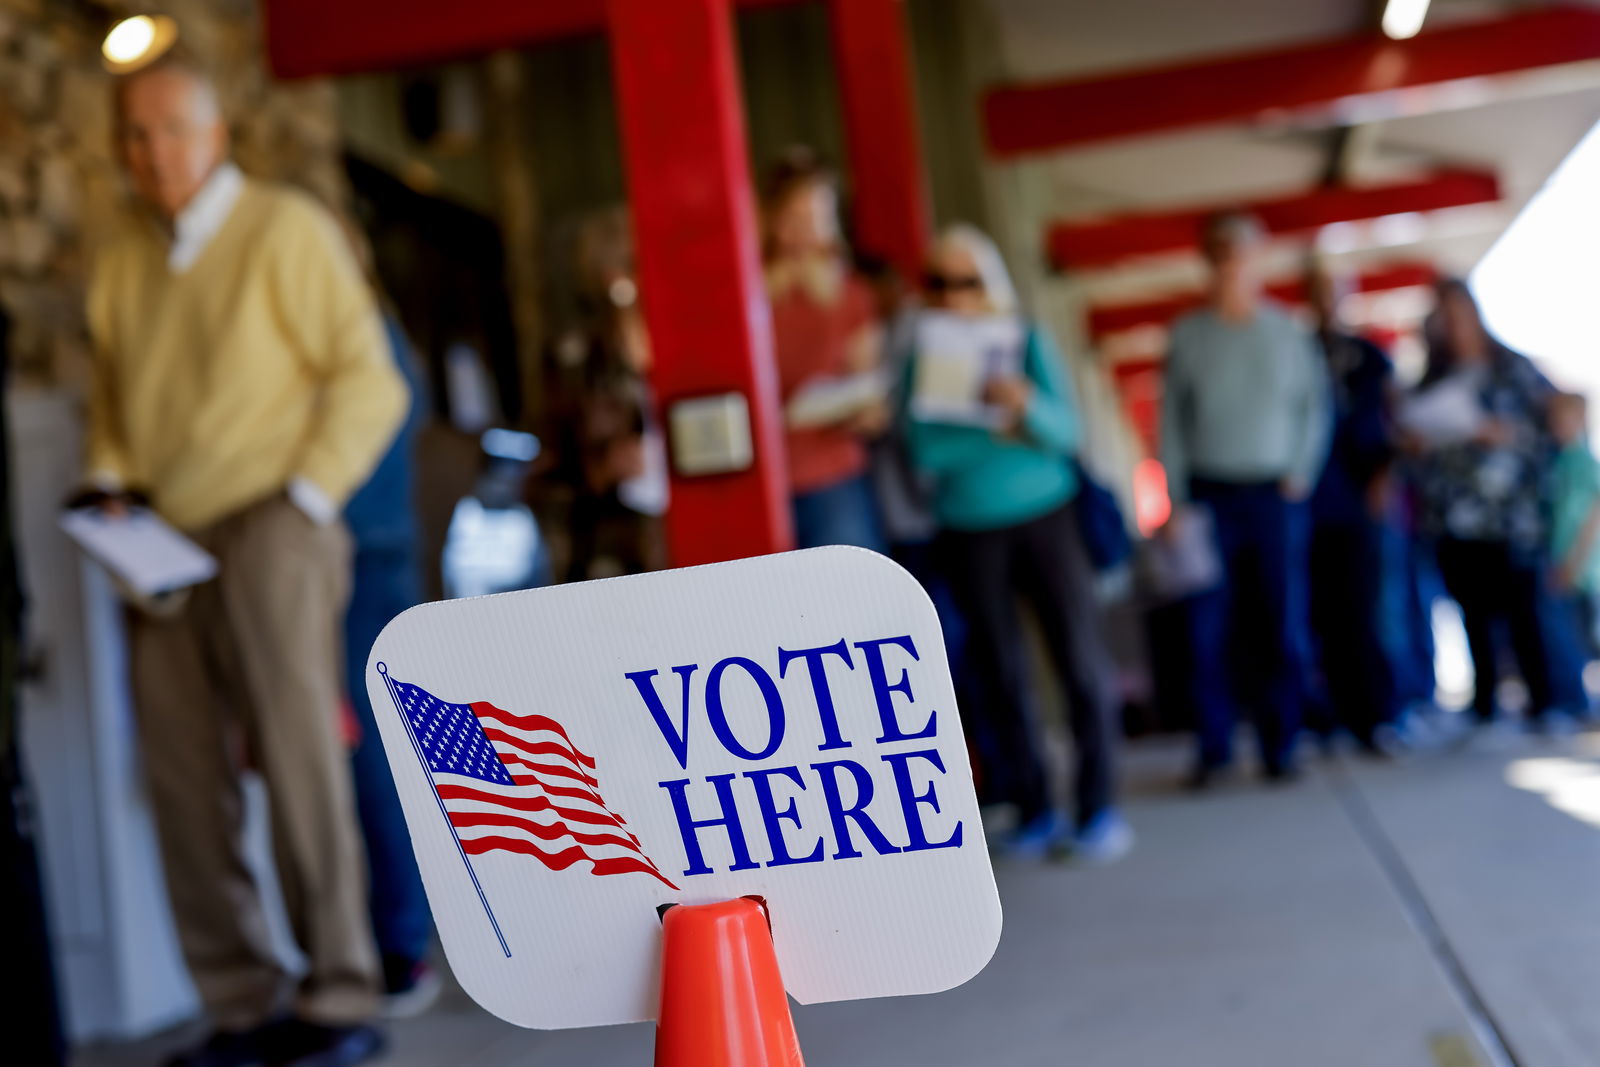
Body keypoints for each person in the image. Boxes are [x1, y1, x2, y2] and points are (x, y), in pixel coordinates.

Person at [83, 55, 406, 1067]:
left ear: (216, 133)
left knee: (301, 759)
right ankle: (240, 1002)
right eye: (135, 135)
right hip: (161, 538)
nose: (154, 153)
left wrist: (306, 496)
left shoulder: (284, 230)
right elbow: (113, 406)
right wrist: (107, 487)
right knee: (184, 779)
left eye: (173, 129)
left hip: (274, 517)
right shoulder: (121, 259)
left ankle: (342, 994)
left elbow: (370, 378)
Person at [905, 224, 1130, 864]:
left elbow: (1065, 430)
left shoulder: (1026, 339)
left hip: (1047, 518)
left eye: (966, 281)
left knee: (1079, 660)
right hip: (969, 530)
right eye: (939, 283)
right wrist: (1000, 430)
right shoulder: (924, 358)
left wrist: (1024, 407)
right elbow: (925, 448)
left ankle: (1099, 807)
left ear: (990, 282)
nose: (954, 295)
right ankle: (1034, 807)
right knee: (1001, 671)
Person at [1160, 212, 1330, 785]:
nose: (1232, 266)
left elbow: (1314, 408)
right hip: (1208, 495)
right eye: (1221, 255)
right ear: (1208, 263)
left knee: (1280, 621)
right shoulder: (1187, 333)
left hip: (1273, 493)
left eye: (1242, 255)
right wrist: (1177, 497)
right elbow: (1171, 422)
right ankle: (1214, 748)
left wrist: (1300, 470)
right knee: (1208, 627)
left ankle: (1281, 745)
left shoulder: (1286, 331)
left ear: (1257, 262)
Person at [1406, 279, 1561, 735]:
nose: (1452, 326)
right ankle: (1485, 706)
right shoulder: (1432, 378)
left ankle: (1543, 702)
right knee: (1471, 610)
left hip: (1511, 515)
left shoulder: (1513, 368)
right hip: (1453, 515)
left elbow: (1553, 426)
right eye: (1444, 317)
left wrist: (1500, 432)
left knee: (1523, 611)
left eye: (1458, 314)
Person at [762, 149, 888, 552]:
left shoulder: (851, 295)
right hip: (761, 478)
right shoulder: (744, 299)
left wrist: (865, 413)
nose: (807, 233)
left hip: (832, 476)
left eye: (817, 220)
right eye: (795, 219)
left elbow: (868, 389)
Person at [1304, 263, 1401, 754]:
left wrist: (1383, 478)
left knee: (1363, 609)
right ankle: (1330, 718)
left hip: (1357, 502)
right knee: (1318, 615)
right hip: (1309, 503)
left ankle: (1377, 717)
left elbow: (1393, 421)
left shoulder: (1369, 357)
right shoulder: (1297, 353)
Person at [1544, 392, 1599, 711]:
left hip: (1583, 570)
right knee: (1566, 638)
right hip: (1560, 562)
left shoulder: (1586, 464)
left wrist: (1574, 563)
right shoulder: (1557, 461)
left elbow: (1593, 519)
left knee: (1585, 639)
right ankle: (1573, 702)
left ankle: (1580, 704)